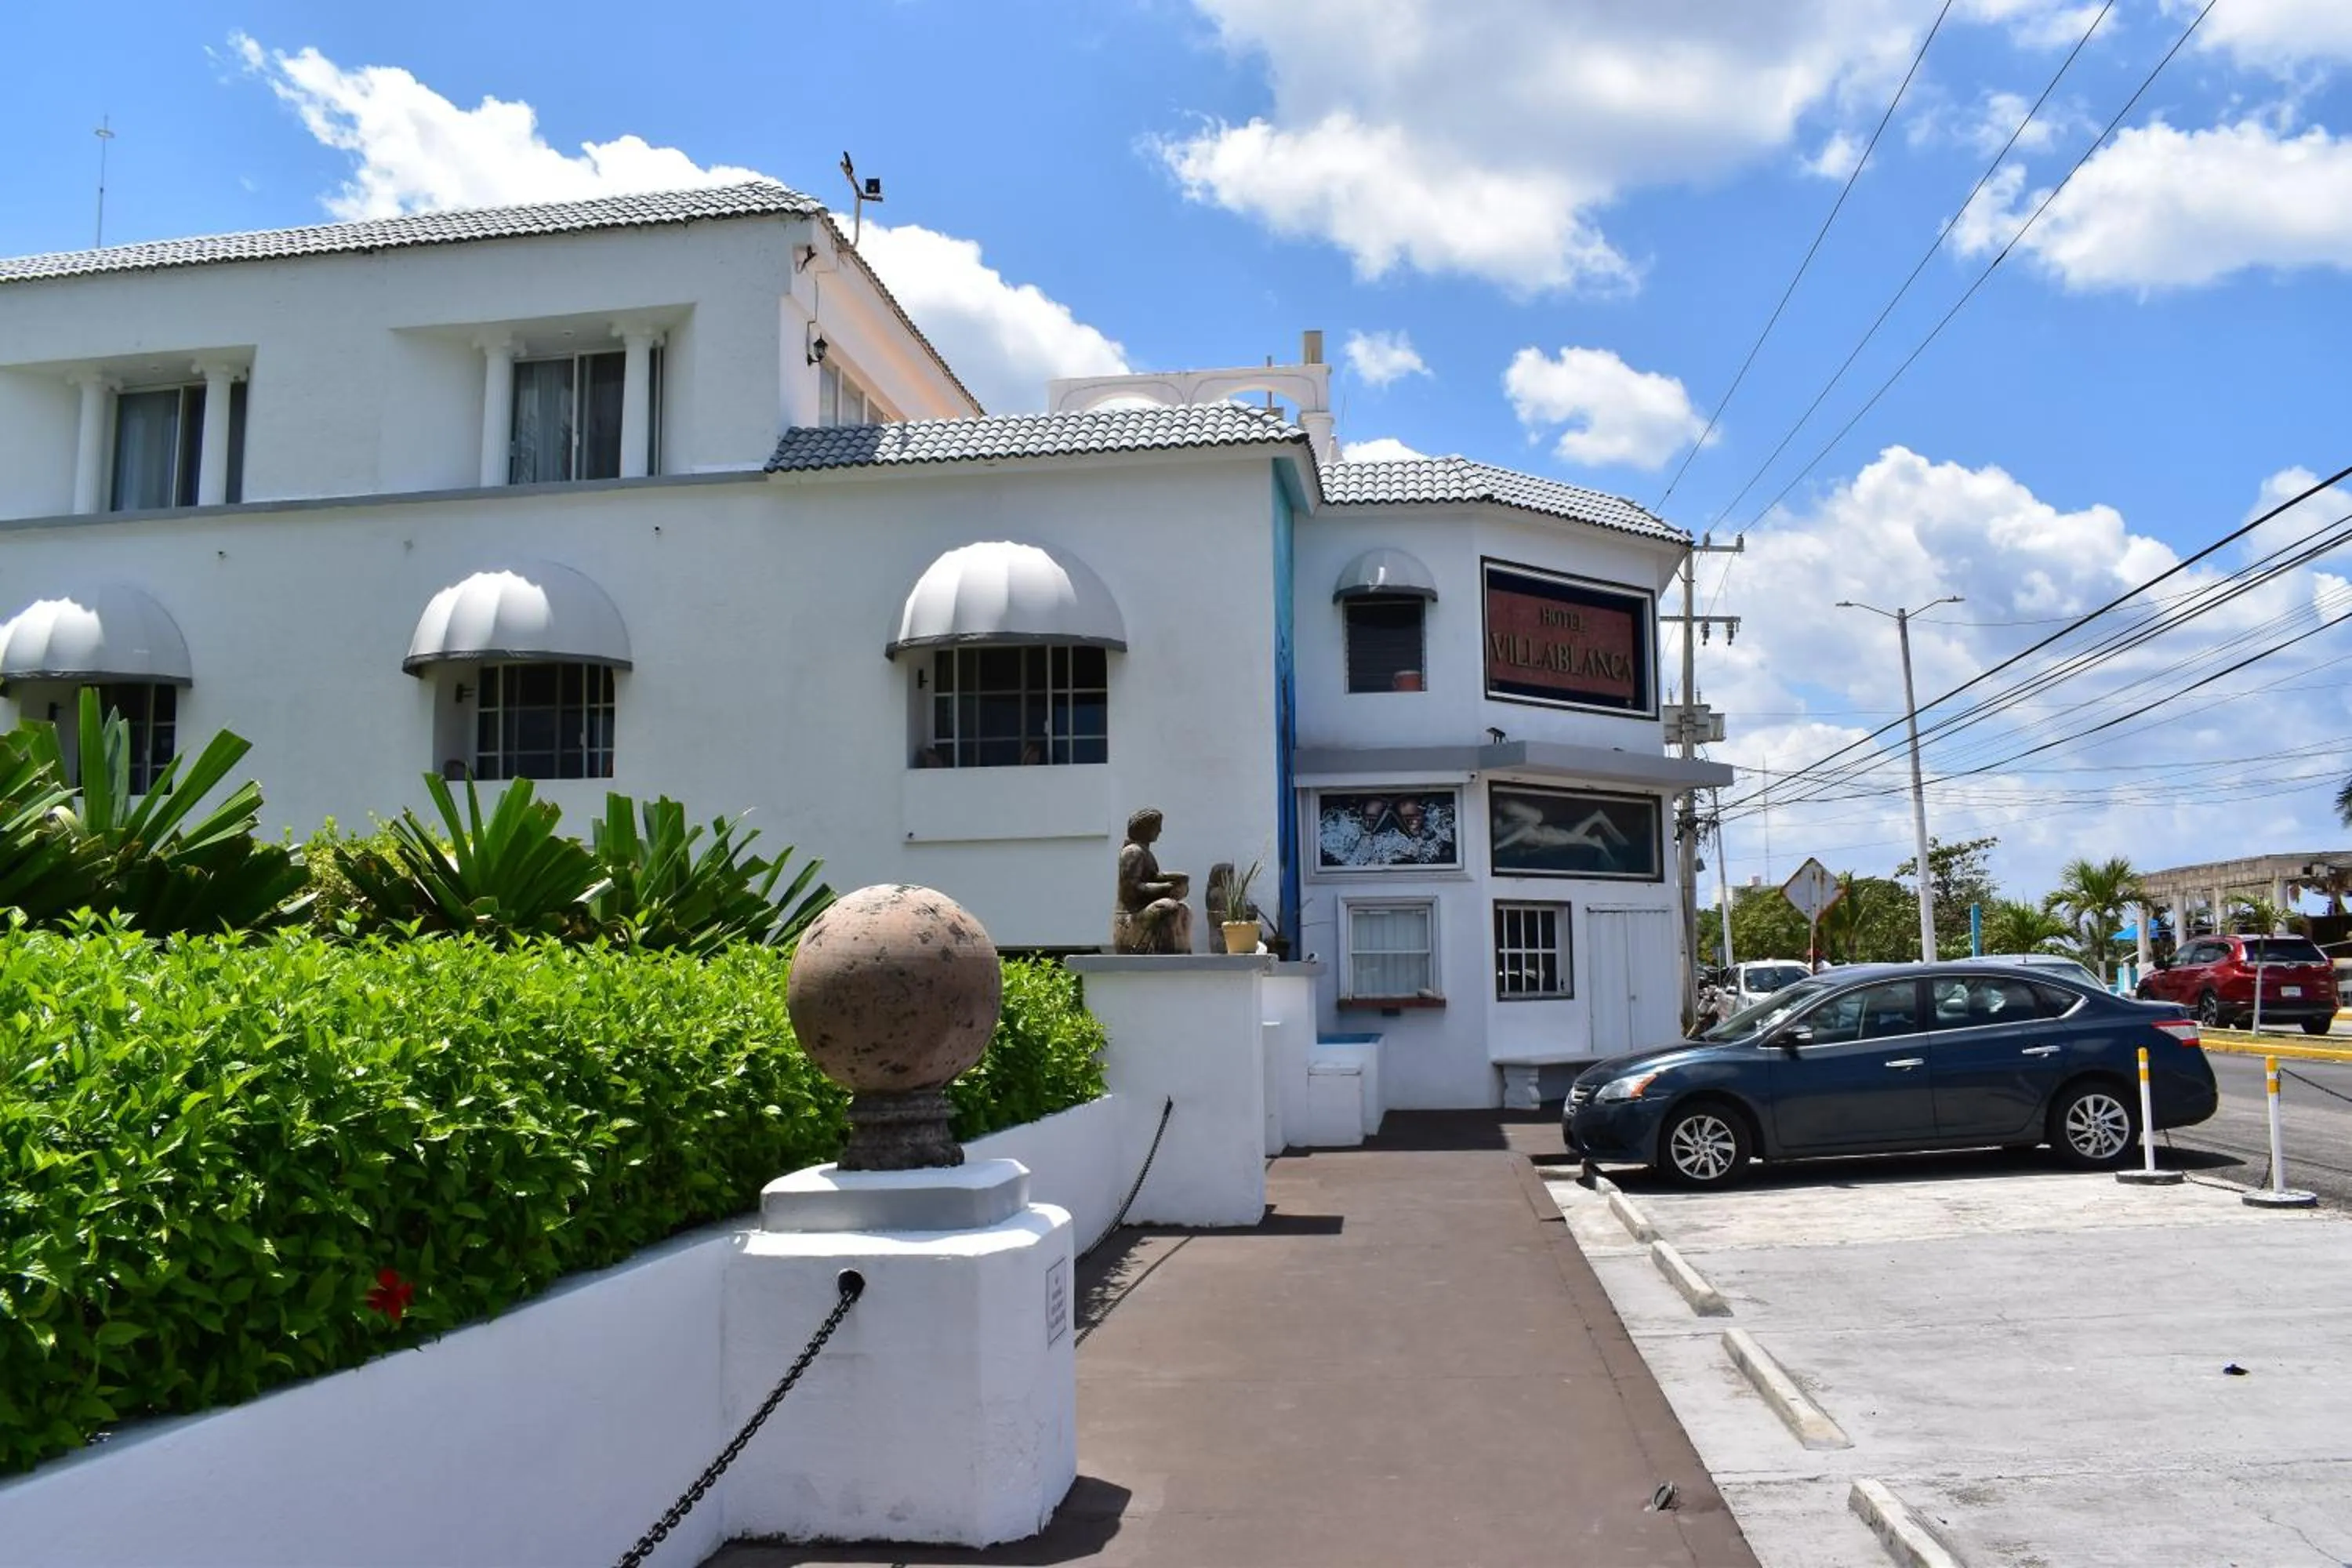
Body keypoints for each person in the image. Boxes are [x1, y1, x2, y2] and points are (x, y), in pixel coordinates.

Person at [1112, 808, 1194, 954]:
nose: (1160, 831)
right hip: (1132, 917)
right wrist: (1167, 888)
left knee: (1184, 909)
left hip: (1142, 910)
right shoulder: (1132, 852)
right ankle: (1165, 954)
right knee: (1168, 907)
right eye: (1156, 826)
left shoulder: (1145, 852)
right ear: (1144, 828)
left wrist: (1178, 879)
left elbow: (1154, 877)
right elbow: (1132, 890)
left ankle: (1181, 953)